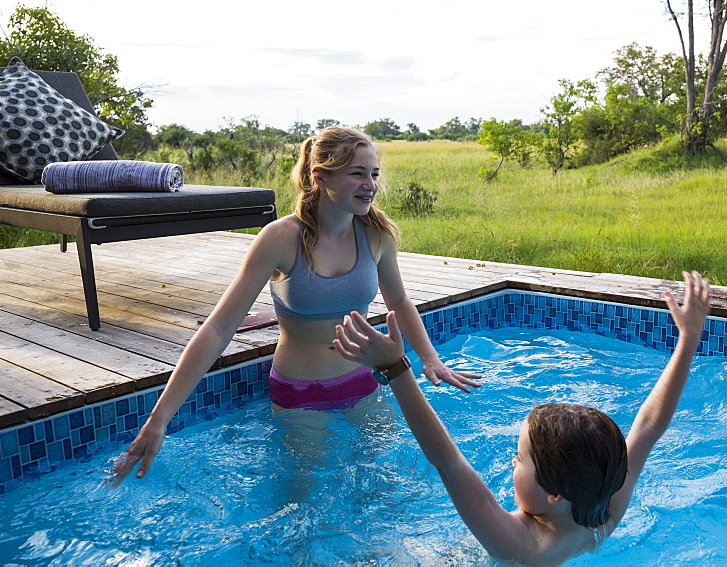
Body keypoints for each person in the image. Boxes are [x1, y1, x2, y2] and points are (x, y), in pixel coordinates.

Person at [110, 127, 481, 487]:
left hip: (365, 383)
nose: (370, 184)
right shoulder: (281, 238)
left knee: (387, 487)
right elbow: (219, 329)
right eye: (357, 174)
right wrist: (158, 420)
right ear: (320, 177)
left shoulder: (376, 235)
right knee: (304, 503)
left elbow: (398, 301)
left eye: (374, 174)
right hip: (300, 393)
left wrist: (430, 358)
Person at [332, 270, 711, 566]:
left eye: (520, 459)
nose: (511, 462)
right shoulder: (601, 515)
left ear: (553, 492)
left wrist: (396, 370)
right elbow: (648, 427)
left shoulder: (521, 543)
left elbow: (447, 460)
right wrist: (687, 340)